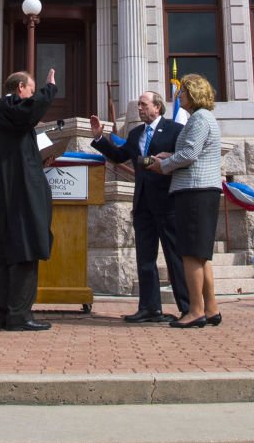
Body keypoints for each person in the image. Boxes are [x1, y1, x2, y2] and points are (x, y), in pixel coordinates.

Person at [90, 89, 190, 323]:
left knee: (174, 257)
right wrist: (98, 138)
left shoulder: (175, 130)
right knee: (145, 258)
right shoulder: (135, 134)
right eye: (140, 106)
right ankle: (149, 308)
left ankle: (187, 307)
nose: (140, 108)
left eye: (144, 105)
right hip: (143, 204)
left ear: (158, 107)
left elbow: (184, 158)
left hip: (167, 203)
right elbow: (119, 156)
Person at [142, 73, 224, 329]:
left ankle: (195, 311)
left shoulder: (199, 119)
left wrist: (163, 165)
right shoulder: (204, 118)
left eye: (183, 93)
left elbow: (189, 154)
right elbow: (190, 151)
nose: (179, 97)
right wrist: (172, 155)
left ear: (194, 94)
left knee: (189, 253)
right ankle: (211, 309)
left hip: (194, 192)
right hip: (203, 191)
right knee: (202, 255)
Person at [0, 67, 57, 332]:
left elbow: (23, 129)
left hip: (7, 195)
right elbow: (27, 113)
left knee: (8, 254)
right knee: (25, 248)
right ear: (20, 89)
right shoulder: (8, 106)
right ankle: (19, 315)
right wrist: (49, 89)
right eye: (31, 91)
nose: (32, 97)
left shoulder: (4, 116)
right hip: (18, 197)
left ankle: (5, 314)